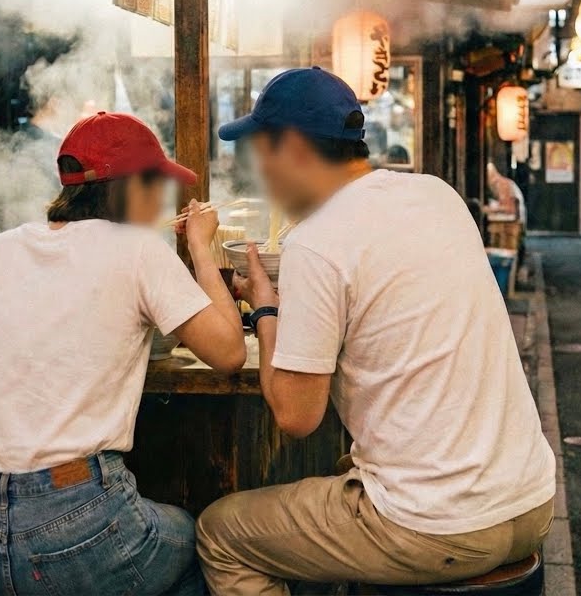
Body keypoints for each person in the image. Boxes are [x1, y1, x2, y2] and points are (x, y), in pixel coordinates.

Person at [195, 68, 555, 594]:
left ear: (293, 147)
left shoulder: (315, 242)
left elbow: (297, 416)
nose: (260, 175)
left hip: (436, 527)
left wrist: (267, 310)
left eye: (261, 155)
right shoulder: (438, 195)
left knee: (222, 531)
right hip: (531, 499)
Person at [0, 111, 247, 596]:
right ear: (132, 185)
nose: (162, 203)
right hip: (78, 533)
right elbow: (229, 351)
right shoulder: (139, 251)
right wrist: (201, 245)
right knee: (201, 549)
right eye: (159, 186)